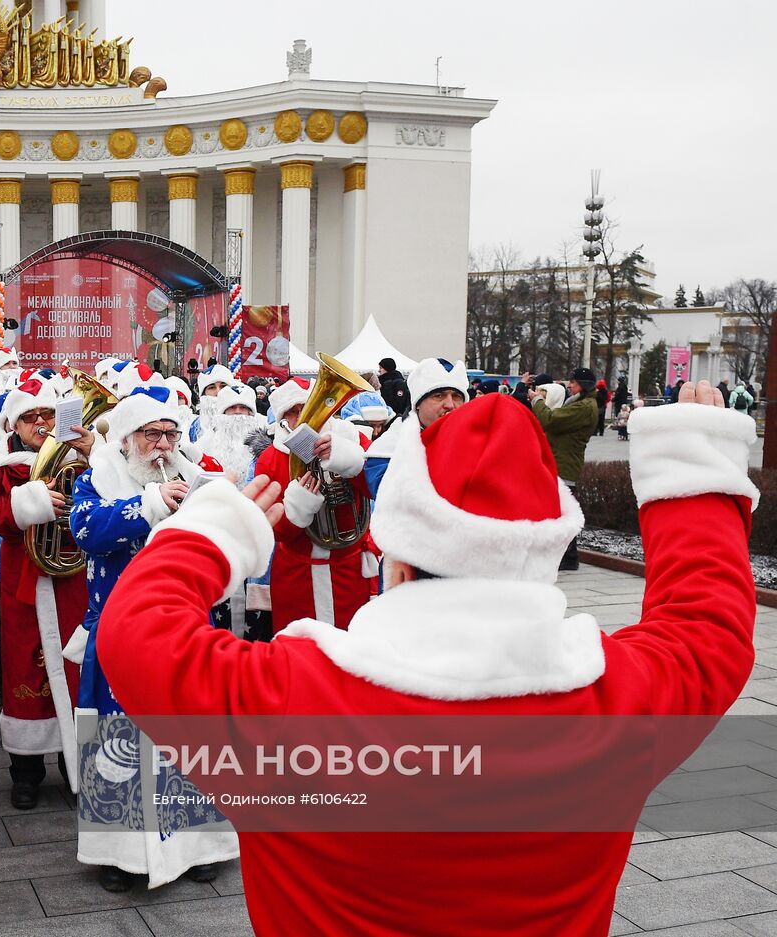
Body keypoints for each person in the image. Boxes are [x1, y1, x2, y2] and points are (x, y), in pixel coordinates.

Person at [96, 383, 757, 937]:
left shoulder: (290, 701)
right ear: (538, 553)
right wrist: (692, 473)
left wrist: (215, 531)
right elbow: (707, 624)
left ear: (399, 562)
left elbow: (136, 632)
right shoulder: (619, 704)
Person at [68, 385, 238, 892]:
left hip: (183, 632)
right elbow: (86, 531)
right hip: (118, 633)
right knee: (117, 742)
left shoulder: (196, 479)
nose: (162, 445)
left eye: (169, 434)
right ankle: (119, 855)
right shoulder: (95, 481)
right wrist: (147, 504)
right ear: (125, 440)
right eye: (150, 435)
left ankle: (199, 843)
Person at [0, 378, 91, 809]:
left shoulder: (81, 457)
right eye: (30, 417)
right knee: (24, 669)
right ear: (13, 425)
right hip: (24, 584)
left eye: (47, 415)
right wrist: (23, 504)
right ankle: (26, 772)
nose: (40, 423)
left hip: (74, 581)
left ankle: (76, 767)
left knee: (77, 670)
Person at [255, 376, 374, 633]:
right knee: (300, 652)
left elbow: (378, 489)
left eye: (308, 407)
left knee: (352, 650)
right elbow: (272, 530)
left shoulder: (353, 440)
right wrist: (297, 508)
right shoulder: (270, 458)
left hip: (349, 571)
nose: (303, 417)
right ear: (282, 419)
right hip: (297, 575)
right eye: (293, 412)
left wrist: (348, 459)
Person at [530, 367, 599, 571]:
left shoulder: (584, 407)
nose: (569, 385)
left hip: (564, 465)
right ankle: (568, 556)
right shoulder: (581, 403)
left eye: (574, 382)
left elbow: (550, 420)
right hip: (562, 462)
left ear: (583, 386)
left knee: (561, 512)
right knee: (559, 511)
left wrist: (537, 400)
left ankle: (568, 557)